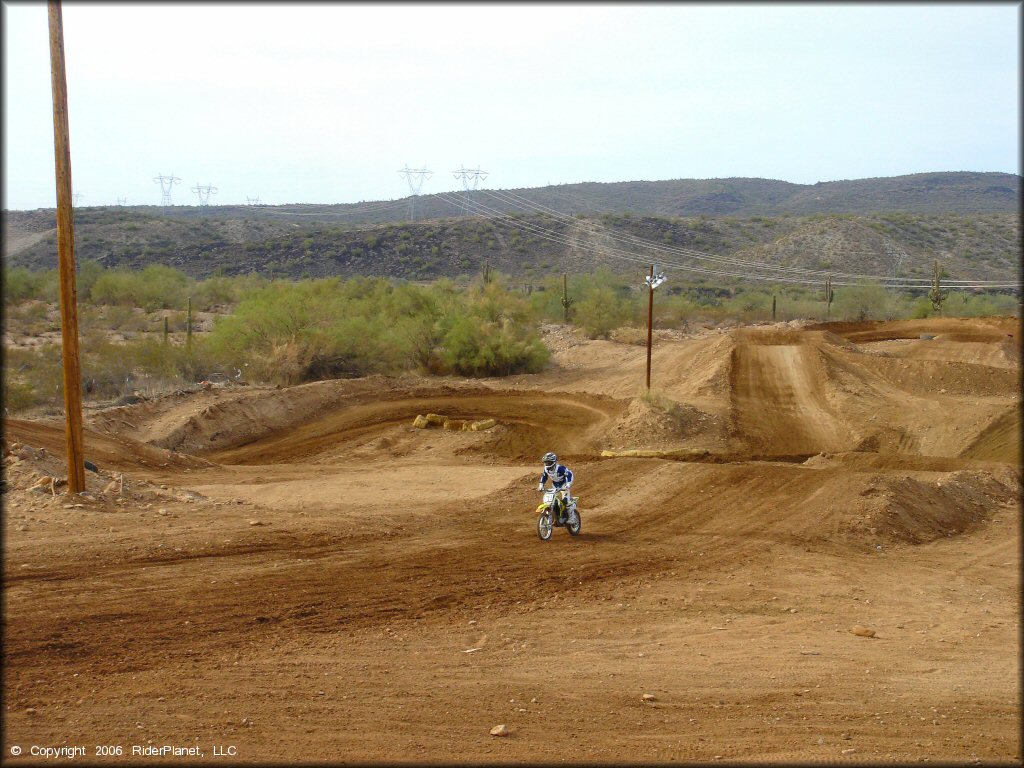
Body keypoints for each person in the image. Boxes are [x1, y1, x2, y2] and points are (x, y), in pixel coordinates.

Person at [537, 451, 575, 523]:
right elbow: (544, 477)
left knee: (566, 501)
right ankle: (557, 515)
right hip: (555, 485)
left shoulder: (560, 468)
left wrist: (568, 484)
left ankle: (572, 518)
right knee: (553, 500)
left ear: (553, 462)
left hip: (564, 484)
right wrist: (541, 485)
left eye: (548, 462)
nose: (547, 464)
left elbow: (569, 474)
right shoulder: (546, 469)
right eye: (546, 462)